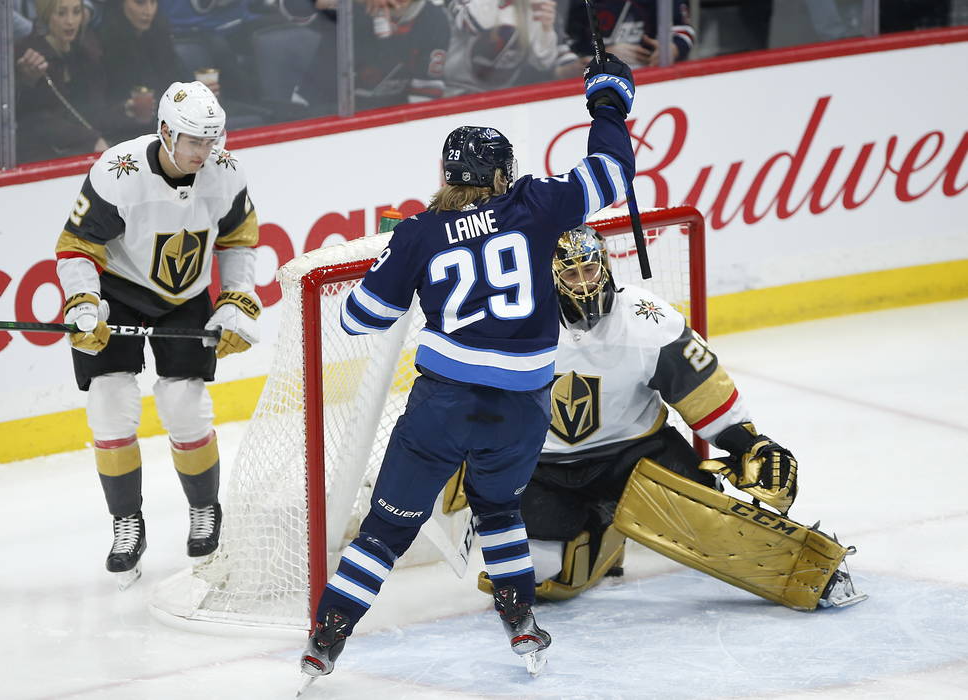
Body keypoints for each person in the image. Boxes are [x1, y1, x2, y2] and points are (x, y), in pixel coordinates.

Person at [299, 52, 639, 681]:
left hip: (442, 408)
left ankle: (326, 640)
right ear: (504, 173)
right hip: (520, 411)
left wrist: (396, 256)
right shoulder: (536, 205)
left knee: (382, 533)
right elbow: (614, 173)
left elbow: (359, 319)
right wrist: (608, 99)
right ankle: (521, 626)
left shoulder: (419, 233)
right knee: (500, 512)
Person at [473, 224, 865, 611]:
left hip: (633, 454)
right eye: (571, 273)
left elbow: (702, 389)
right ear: (552, 277)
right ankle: (597, 528)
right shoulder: (515, 325)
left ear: (606, 265)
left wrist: (748, 444)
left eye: (590, 269)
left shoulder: (647, 319)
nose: (584, 283)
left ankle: (808, 571)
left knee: (710, 523)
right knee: (536, 573)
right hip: (543, 466)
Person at [53, 80, 261, 589]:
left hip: (184, 296)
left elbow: (238, 238)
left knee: (185, 404)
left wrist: (236, 296)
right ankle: (127, 522)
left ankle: (205, 509)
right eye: (193, 141)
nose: (203, 152)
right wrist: (83, 300)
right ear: (165, 131)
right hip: (118, 292)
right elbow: (77, 245)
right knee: (110, 401)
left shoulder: (225, 172)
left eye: (211, 141)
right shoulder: (117, 171)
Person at [296, 0, 451, 113]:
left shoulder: (434, 19)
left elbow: (426, 92)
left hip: (386, 120)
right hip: (319, 112)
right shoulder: (350, 9)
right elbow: (293, 7)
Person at [15, 0, 110, 161]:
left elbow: (95, 110)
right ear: (46, 16)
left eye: (76, 12)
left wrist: (126, 110)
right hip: (43, 156)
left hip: (85, 146)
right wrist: (27, 80)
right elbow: (34, 119)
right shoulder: (28, 55)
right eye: (61, 13)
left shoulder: (85, 54)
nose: (70, 21)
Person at [443, 0, 582, 97]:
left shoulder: (532, 5)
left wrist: (545, 29)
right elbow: (471, 23)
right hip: (455, 93)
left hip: (504, 97)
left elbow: (542, 61)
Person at [96, 0, 182, 142]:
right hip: (121, 134)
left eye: (153, 3)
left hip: (164, 126)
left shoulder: (161, 34)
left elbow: (175, 82)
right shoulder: (101, 46)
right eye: (140, 3)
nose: (148, 11)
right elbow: (97, 109)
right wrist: (124, 108)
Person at [566, 0, 695, 68]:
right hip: (597, 82)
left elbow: (684, 29)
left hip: (649, 76)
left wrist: (672, 48)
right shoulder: (578, 4)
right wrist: (601, 56)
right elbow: (568, 47)